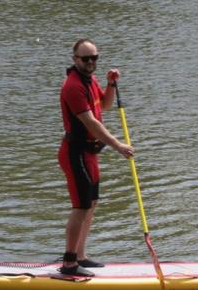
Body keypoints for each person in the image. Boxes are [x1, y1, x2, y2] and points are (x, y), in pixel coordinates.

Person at [57, 39, 134, 278]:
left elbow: (106, 105)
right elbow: (91, 122)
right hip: (75, 154)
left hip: (90, 154)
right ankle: (69, 264)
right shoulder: (73, 86)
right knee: (80, 207)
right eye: (85, 58)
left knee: (91, 204)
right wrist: (118, 145)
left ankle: (80, 255)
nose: (91, 62)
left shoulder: (91, 81)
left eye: (94, 58)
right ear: (74, 59)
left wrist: (111, 84)